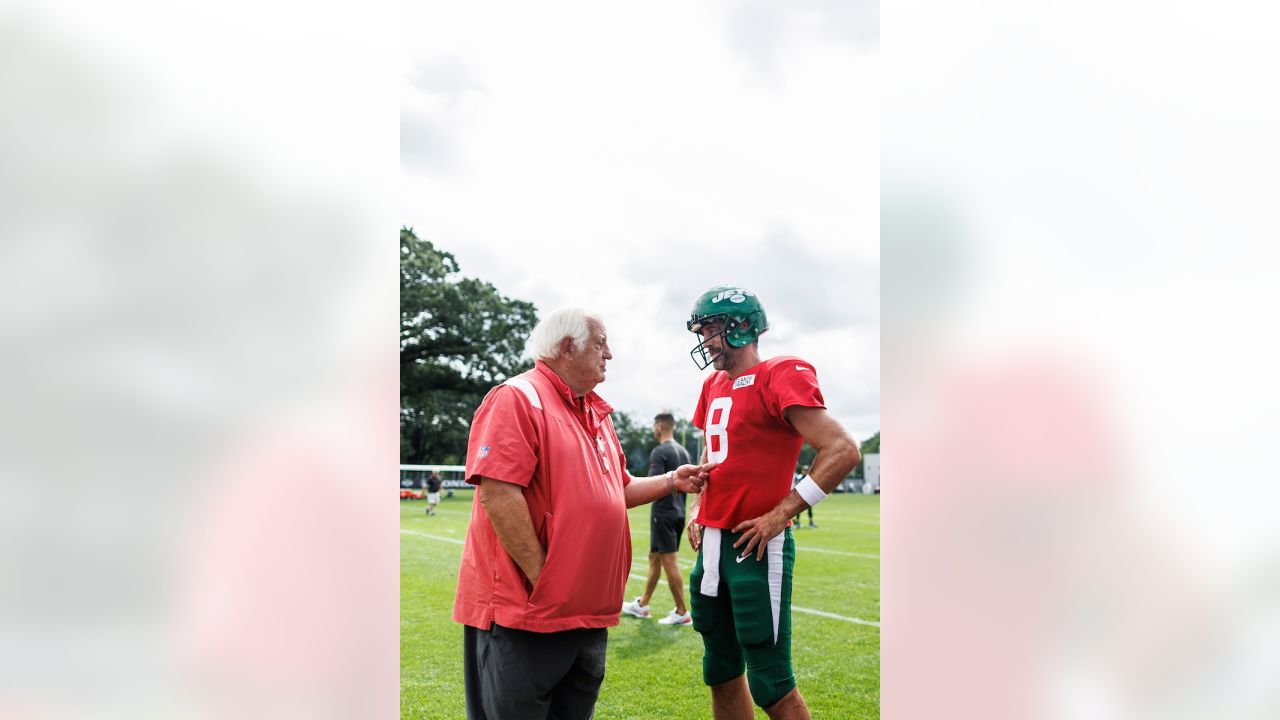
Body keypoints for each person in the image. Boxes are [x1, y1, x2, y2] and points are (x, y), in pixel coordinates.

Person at [453, 307, 715, 720]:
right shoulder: (518, 397)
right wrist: (546, 580)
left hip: (585, 612)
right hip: (527, 613)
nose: (609, 354)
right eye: (600, 343)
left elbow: (619, 487)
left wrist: (670, 480)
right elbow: (499, 493)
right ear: (567, 346)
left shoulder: (595, 412)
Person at [683, 285, 860, 720]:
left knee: (771, 682)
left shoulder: (780, 372)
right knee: (719, 670)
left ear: (741, 327)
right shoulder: (711, 384)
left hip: (756, 545)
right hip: (712, 544)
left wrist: (780, 515)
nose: (705, 340)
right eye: (701, 331)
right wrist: (696, 508)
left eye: (711, 329)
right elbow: (713, 453)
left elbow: (842, 449)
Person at [621, 412, 694, 625]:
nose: (653, 429)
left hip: (664, 514)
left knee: (669, 562)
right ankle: (643, 604)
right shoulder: (684, 452)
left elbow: (657, 484)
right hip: (679, 512)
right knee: (655, 557)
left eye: (654, 425)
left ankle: (682, 612)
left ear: (660, 426)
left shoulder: (660, 451)